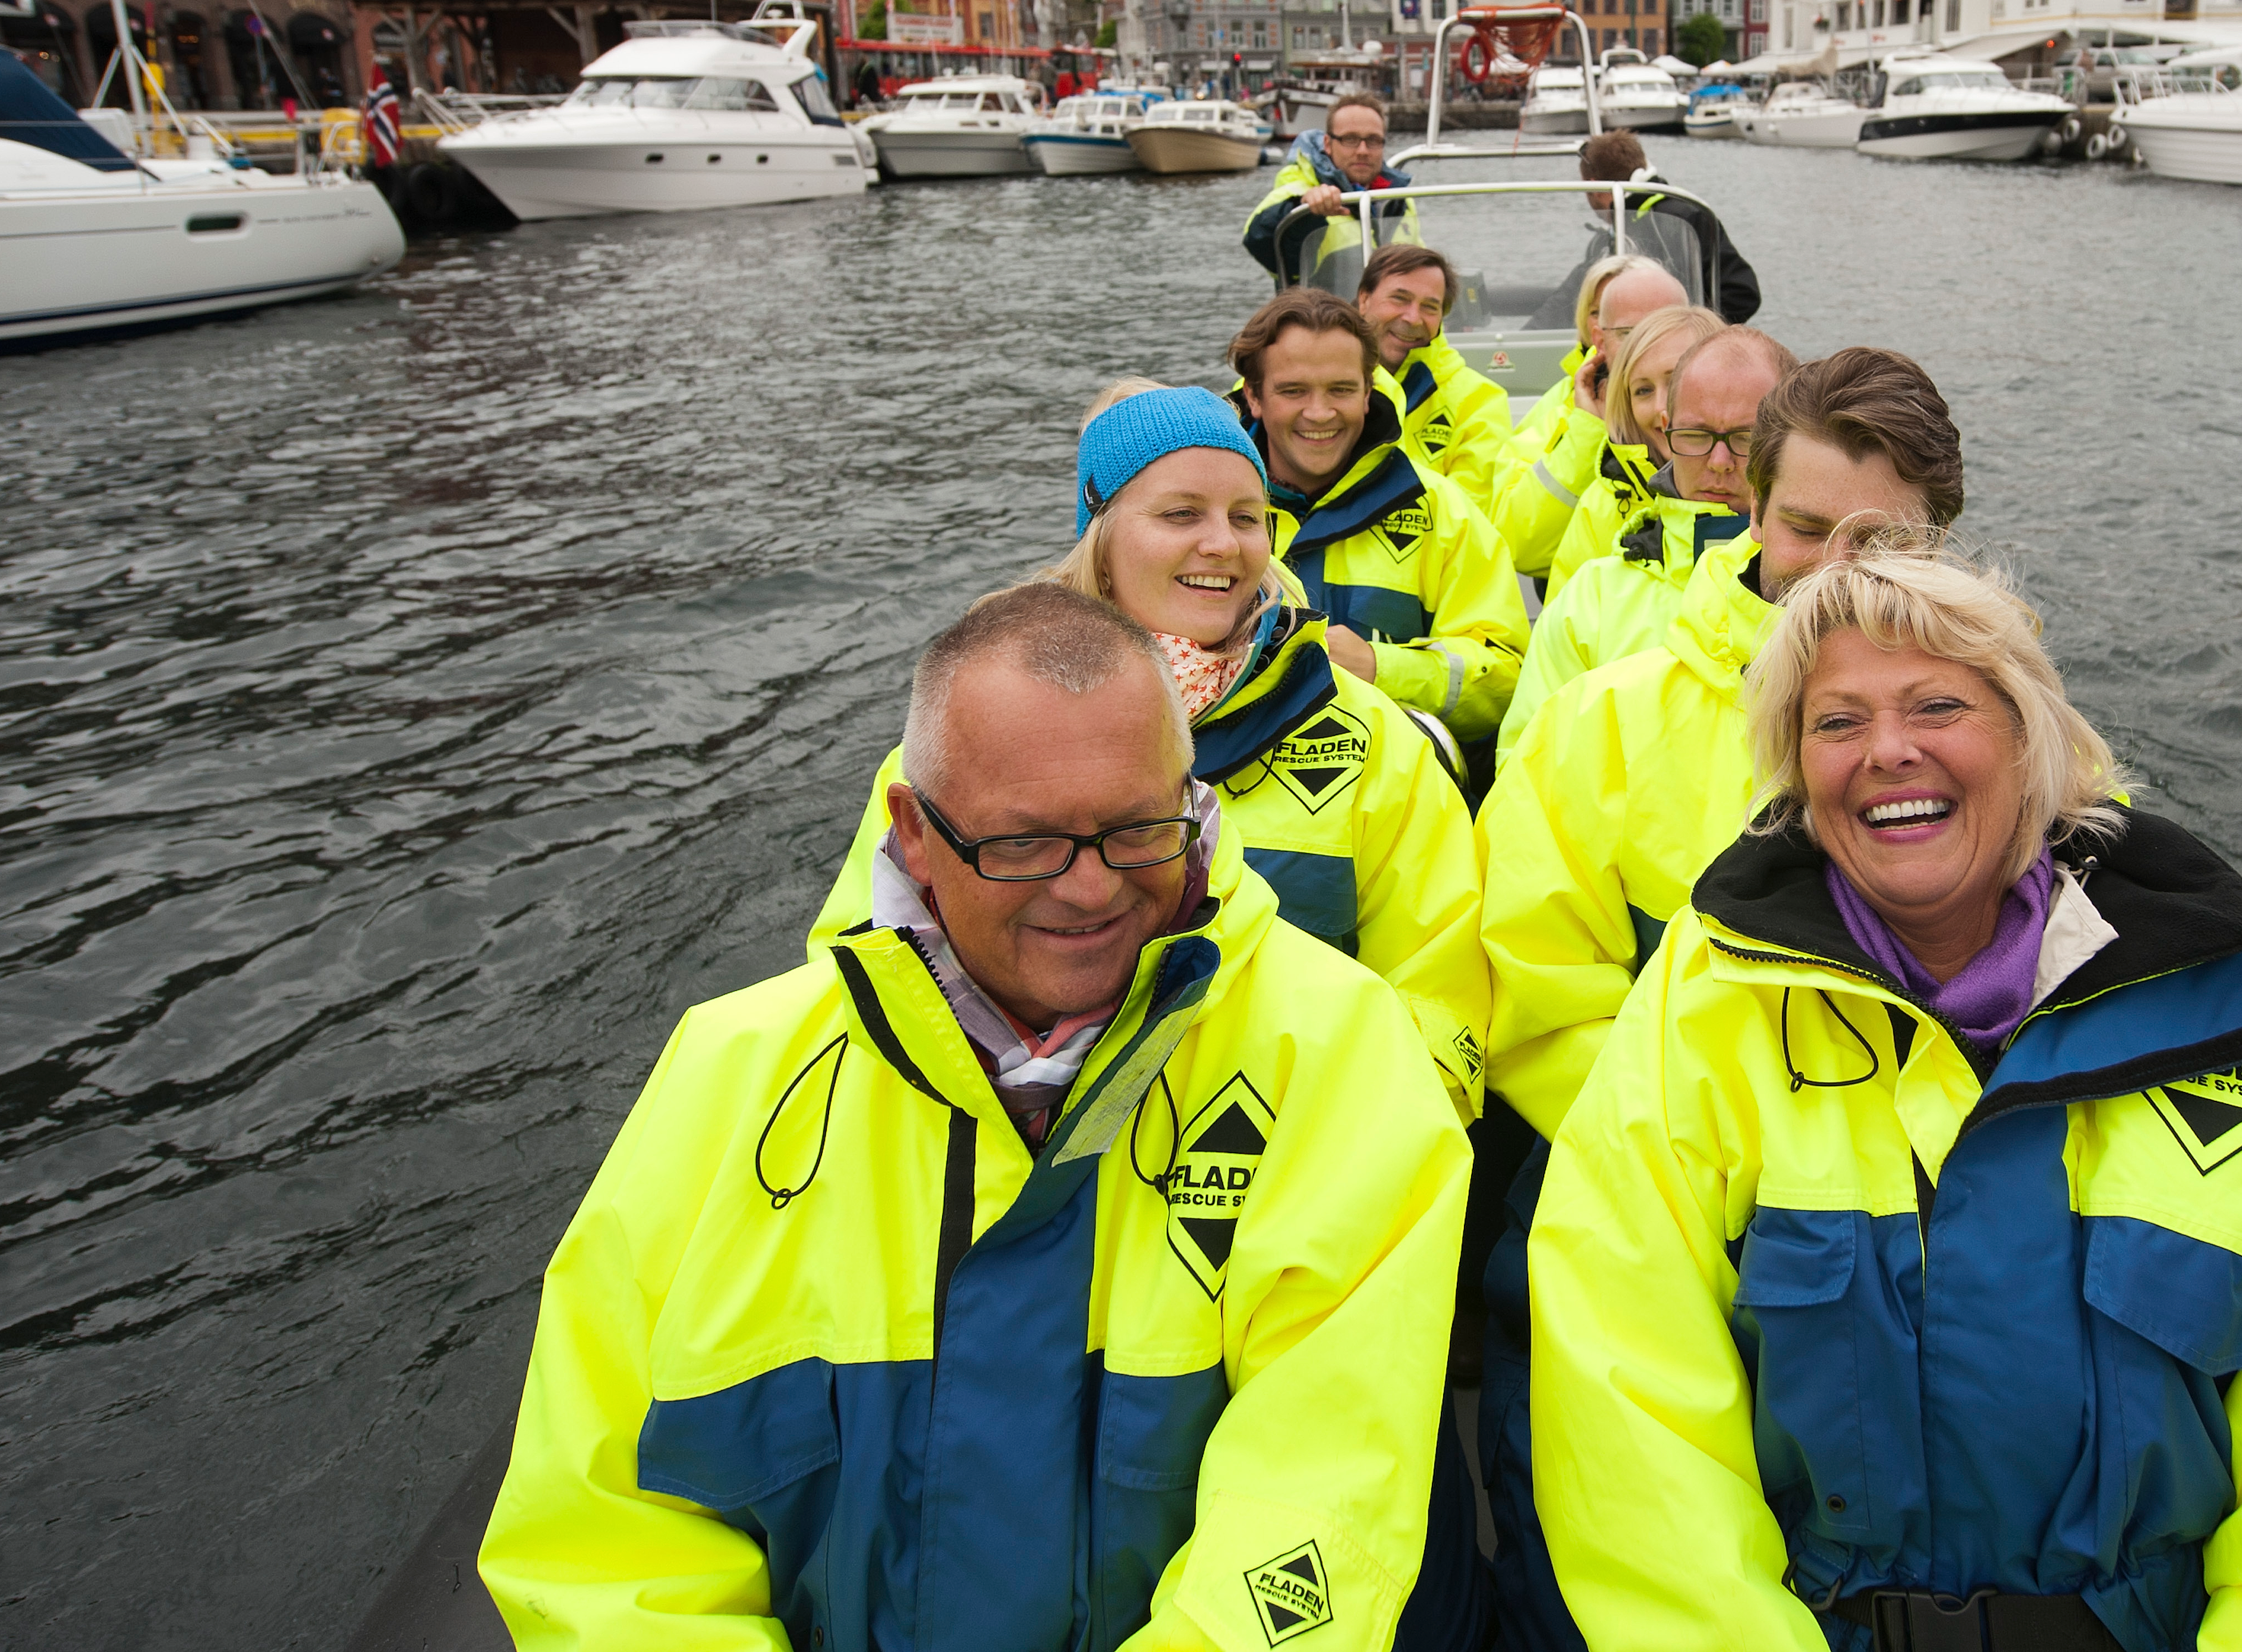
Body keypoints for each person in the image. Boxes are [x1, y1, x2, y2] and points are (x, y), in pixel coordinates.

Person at [481, 585, 1471, 1650]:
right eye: (1025, 843)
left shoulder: (1338, 1053)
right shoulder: (725, 1076)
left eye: (1138, 831)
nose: (1090, 891)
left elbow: (1316, 1492)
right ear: (914, 831)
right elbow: (607, 1543)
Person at [1530, 549, 2242, 1652]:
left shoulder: (2229, 1000)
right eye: (1836, 722)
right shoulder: (1701, 1008)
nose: (1889, 750)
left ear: (2031, 740)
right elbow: (1631, 1415)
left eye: (1939, 704)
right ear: (1792, 768)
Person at [1468, 347, 1966, 1650]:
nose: (1836, 568)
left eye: (1881, 538)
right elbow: (1532, 994)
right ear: (1748, 506)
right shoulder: (1599, 728)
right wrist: (1730, 1162)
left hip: (1908, 1244)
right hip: (1636, 1209)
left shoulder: (2019, 744)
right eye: (1806, 527)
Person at [806, 380, 1490, 1121]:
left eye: (1247, 517)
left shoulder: (1369, 737)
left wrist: (1337, 1147)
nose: (1224, 544)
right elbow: (864, 965)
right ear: (1102, 534)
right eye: (1179, 514)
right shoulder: (973, 724)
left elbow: (1438, 998)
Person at [1232, 287, 1525, 754]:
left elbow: (1508, 679)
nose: (1319, 412)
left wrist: (1378, 666)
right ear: (1254, 395)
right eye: (1293, 391)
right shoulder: (1205, 508)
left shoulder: (1440, 511)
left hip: (1403, 790)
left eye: (1341, 390)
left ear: (1369, 392)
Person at [1498, 306, 1739, 754]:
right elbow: (1545, 714)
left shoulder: (1790, 517)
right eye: (1642, 389)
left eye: (1678, 380)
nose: (1662, 407)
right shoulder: (1600, 506)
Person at [1497, 255, 1688, 580]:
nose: (1645, 347)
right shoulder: (1557, 412)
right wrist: (1587, 432)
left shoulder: (1720, 411)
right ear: (1598, 336)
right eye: (1630, 332)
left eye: (1660, 328)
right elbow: (1520, 546)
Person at [1359, 243, 1519, 508]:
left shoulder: (1480, 401)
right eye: (1400, 299)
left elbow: (1470, 512)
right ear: (1364, 299)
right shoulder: (1320, 381)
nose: (1413, 318)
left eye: (1430, 307)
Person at [1576, 128, 1761, 322]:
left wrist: (1686, 335)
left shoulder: (1681, 220)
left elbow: (1741, 294)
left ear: (1594, 187)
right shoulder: (1613, 235)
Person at [1245, 88, 1410, 287]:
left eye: (1373, 140)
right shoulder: (1298, 188)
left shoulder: (1399, 199)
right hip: (1326, 317)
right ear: (1328, 144)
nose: (1363, 151)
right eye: (1350, 139)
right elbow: (1261, 241)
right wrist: (1305, 211)